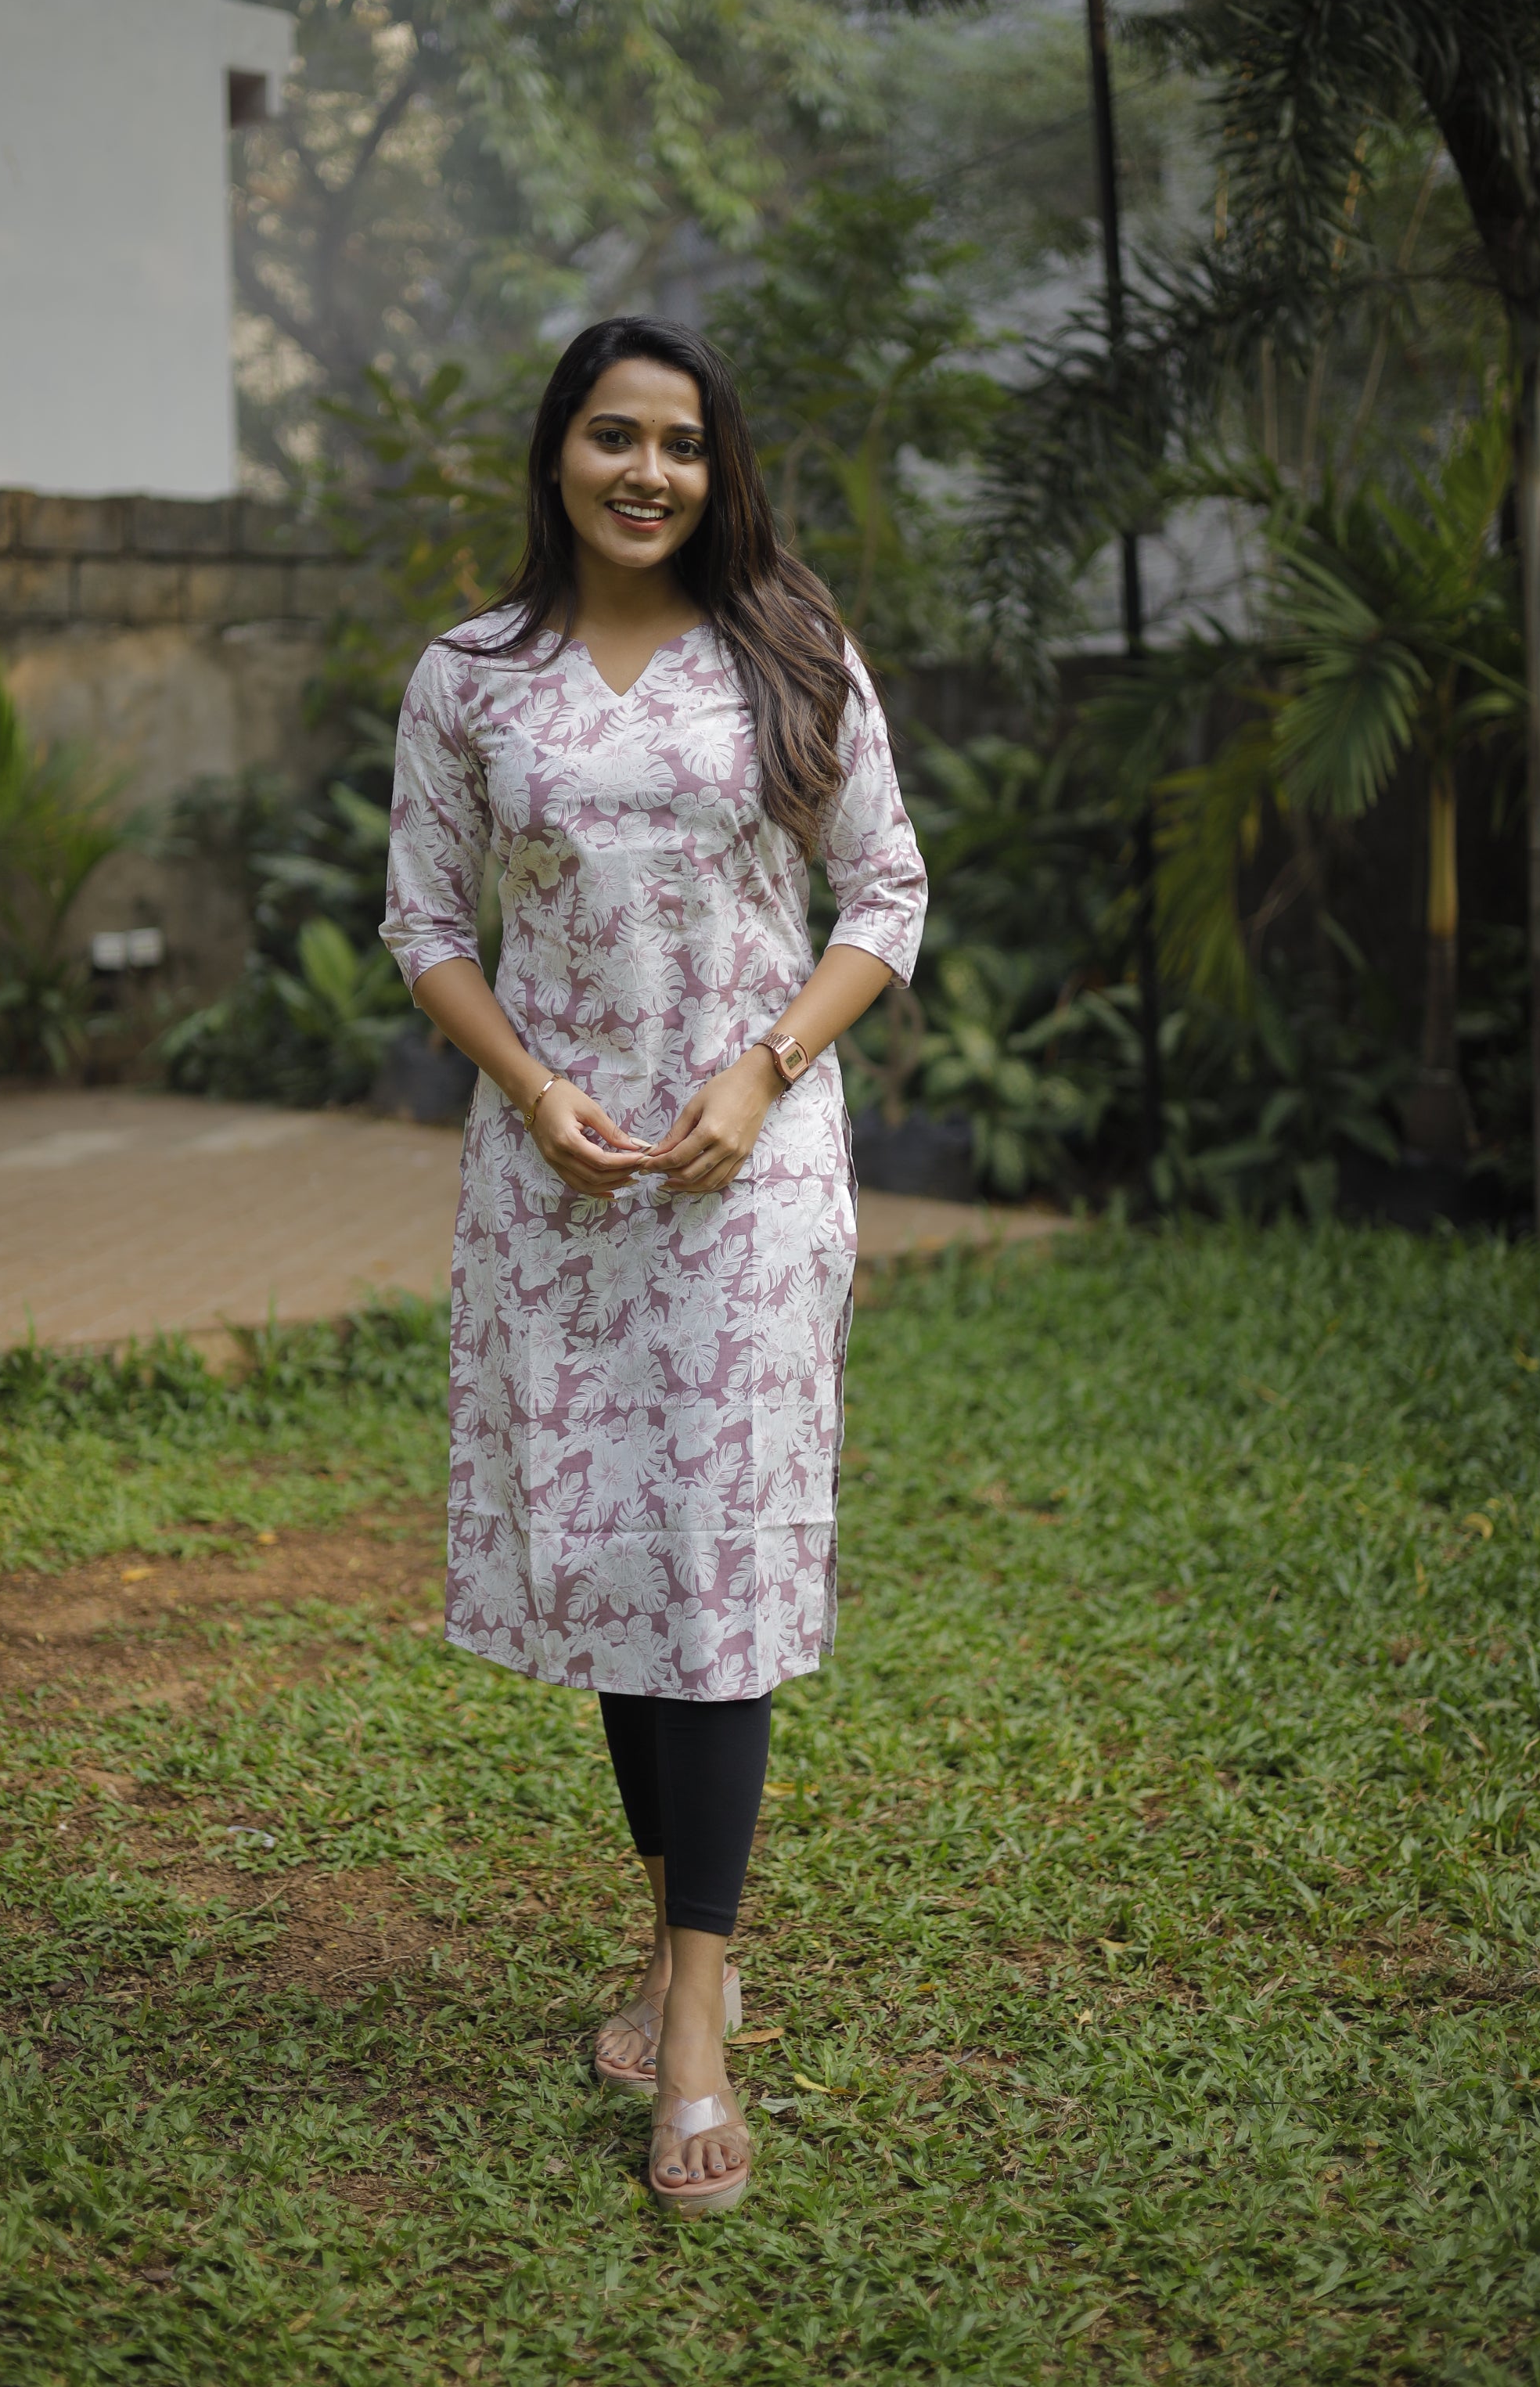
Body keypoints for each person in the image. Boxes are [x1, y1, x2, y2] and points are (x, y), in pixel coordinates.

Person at [380, 315, 927, 2215]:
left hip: (749, 1182)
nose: (646, 473)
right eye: (611, 438)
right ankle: (685, 1933)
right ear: (555, 458)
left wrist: (764, 1069)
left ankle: (694, 2013)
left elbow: (888, 895)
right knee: (617, 1548)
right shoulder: (470, 678)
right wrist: (531, 1091)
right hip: (557, 1185)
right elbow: (424, 922)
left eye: (680, 445)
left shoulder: (784, 645)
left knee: (717, 1559)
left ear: (718, 468)